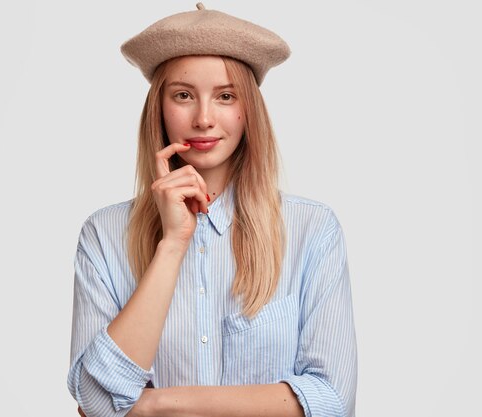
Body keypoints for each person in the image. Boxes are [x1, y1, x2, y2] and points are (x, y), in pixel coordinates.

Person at [67, 3, 357, 417]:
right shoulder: (104, 234)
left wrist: (154, 406)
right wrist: (172, 244)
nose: (203, 118)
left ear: (249, 110)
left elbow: (331, 401)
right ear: (159, 108)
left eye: (225, 96)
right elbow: (95, 401)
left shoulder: (311, 229)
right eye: (183, 95)